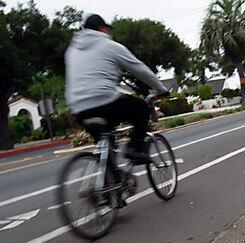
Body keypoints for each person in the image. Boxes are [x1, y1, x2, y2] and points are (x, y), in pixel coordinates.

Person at [65, 14, 169, 164]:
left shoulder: (71, 50)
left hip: (78, 108)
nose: (108, 32)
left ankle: (111, 180)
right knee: (142, 109)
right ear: (102, 28)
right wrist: (161, 89)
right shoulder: (110, 46)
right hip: (103, 100)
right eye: (107, 29)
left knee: (107, 143)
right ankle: (134, 149)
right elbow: (139, 69)